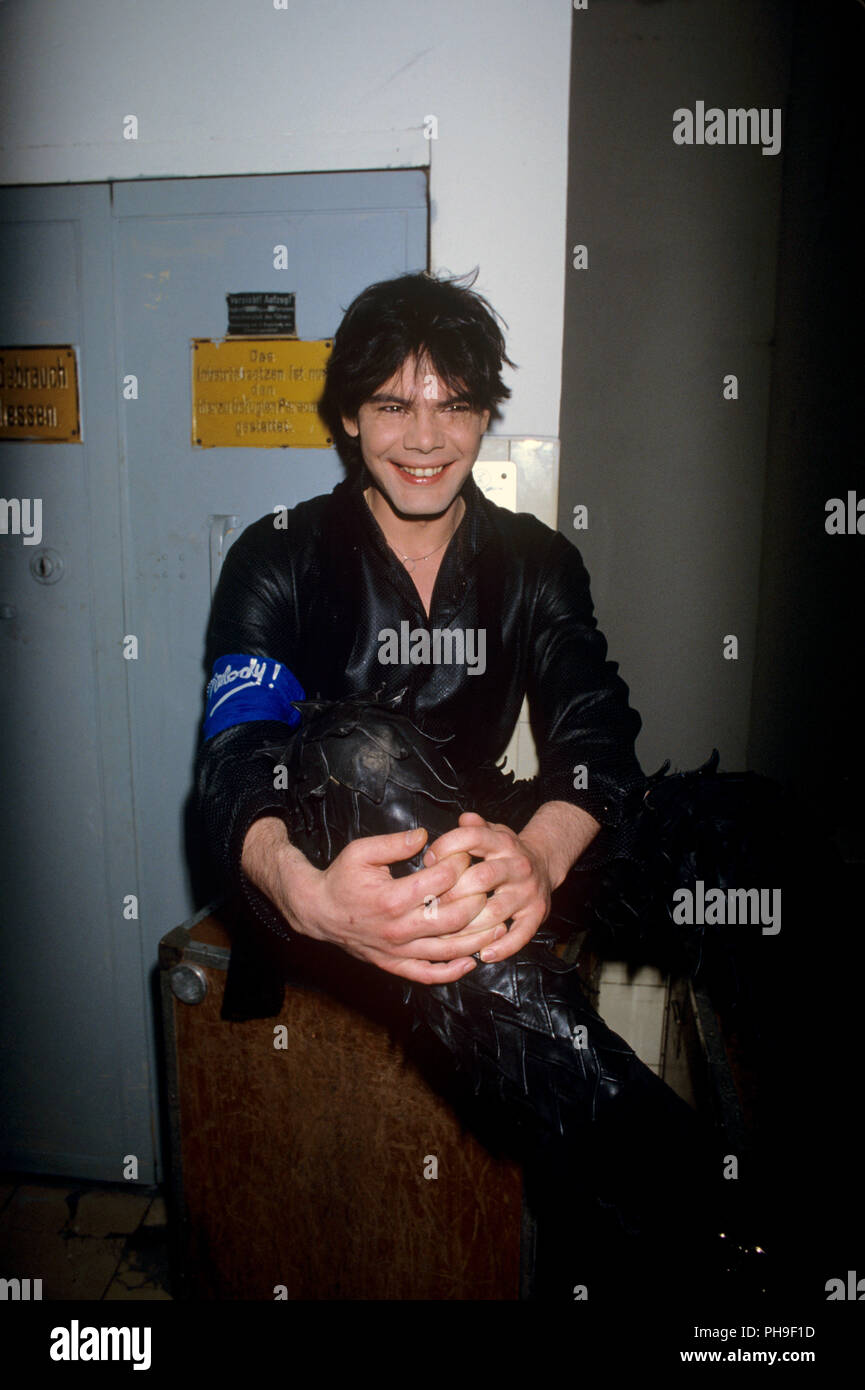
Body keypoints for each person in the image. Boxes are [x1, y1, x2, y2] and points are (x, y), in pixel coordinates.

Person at [193, 270, 723, 1299]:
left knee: (740, 827)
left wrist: (541, 849)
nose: (425, 436)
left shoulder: (534, 561)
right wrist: (300, 894)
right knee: (357, 750)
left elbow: (592, 736)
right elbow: (233, 763)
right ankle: (696, 1205)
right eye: (393, 402)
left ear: (483, 414)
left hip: (482, 839)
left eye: (454, 404)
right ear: (348, 416)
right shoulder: (278, 554)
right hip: (325, 872)